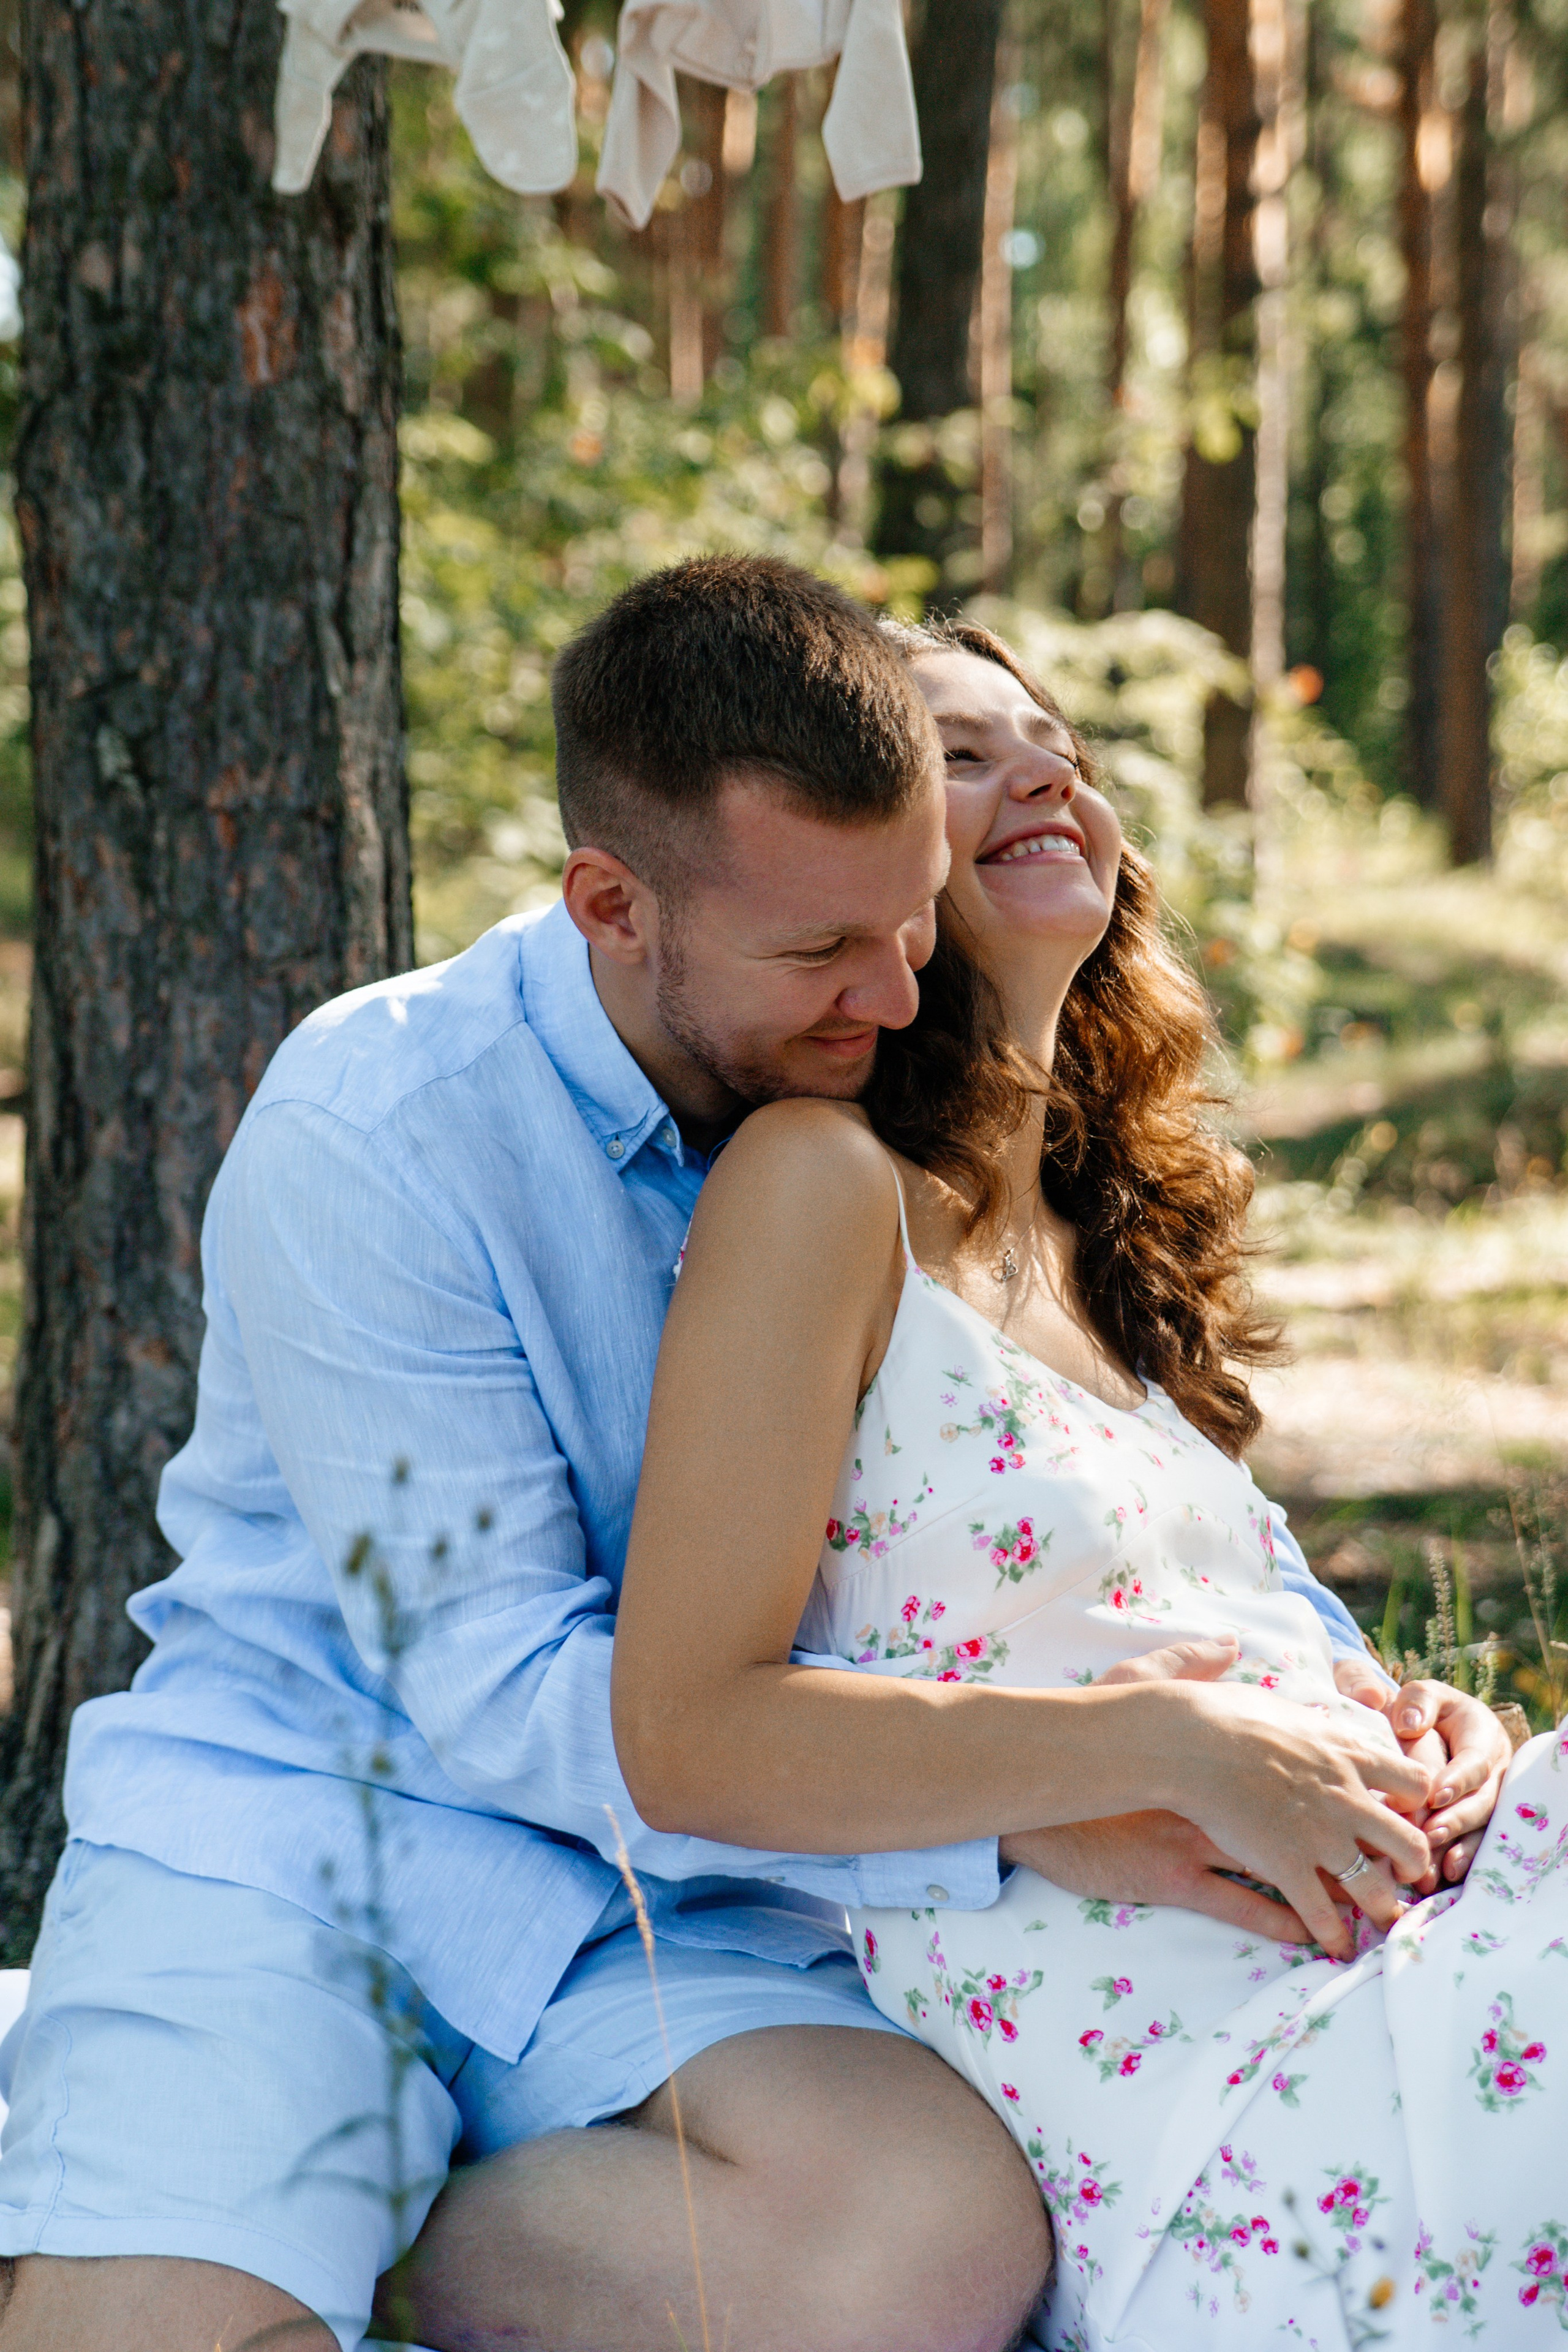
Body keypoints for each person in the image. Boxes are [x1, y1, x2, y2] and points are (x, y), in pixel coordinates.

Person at [0, 562, 1504, 2352]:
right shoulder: (380, 1127)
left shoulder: (878, 1113)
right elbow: (495, 1689)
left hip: (685, 1887)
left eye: (910, 924)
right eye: (820, 953)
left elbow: (1110, 1496)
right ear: (612, 905)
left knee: (922, 2252)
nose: (886, 986)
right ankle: (266, 2230)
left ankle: (388, 2256)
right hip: (330, 1840)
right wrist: (1029, 1808)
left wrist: (1352, 1703)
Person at [609, 616, 1550, 2351]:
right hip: (1177, 2034)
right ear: (862, 844)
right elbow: (684, 1733)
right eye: (959, 755)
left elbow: (1212, 1617)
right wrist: (1170, 1750)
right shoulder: (821, 1189)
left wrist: (1430, 1724)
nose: (1042, 770)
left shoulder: (1098, 1238)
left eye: (1054, 744)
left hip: (1381, 1909)